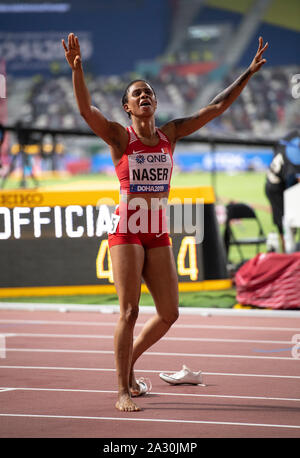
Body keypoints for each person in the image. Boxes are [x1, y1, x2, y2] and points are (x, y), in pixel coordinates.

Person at [62, 33, 268, 412]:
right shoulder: (118, 139)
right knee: (129, 311)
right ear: (126, 107)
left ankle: (130, 367)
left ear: (155, 103)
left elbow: (215, 108)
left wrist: (247, 74)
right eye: (136, 94)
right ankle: (122, 389)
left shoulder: (169, 135)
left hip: (157, 230)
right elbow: (85, 110)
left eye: (149, 93)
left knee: (169, 312)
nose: (144, 96)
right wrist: (77, 70)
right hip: (127, 229)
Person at [265, 130, 300, 251]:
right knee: (285, 222)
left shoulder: (289, 139)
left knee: (288, 221)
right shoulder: (295, 157)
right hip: (276, 188)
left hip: (277, 181)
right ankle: (287, 254)